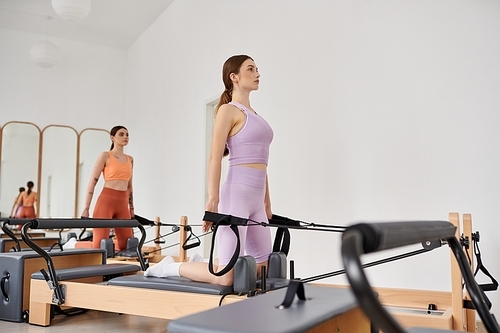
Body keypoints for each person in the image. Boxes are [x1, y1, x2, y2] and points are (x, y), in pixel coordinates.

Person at [145, 55, 274, 286]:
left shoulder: (257, 116)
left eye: (257, 69)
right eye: (251, 69)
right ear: (234, 77)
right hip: (236, 196)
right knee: (227, 277)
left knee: (266, 268)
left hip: (256, 198)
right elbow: (215, 157)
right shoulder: (228, 110)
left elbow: (263, 164)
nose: (257, 73)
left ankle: (203, 262)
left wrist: (267, 202)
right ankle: (171, 267)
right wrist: (212, 200)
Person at [80, 125, 135, 251]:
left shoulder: (130, 160)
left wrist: (131, 208)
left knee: (127, 245)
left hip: (123, 204)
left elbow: (130, 186)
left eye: (127, 134)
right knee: (99, 245)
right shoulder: (105, 156)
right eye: (121, 134)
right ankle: (74, 244)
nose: (125, 137)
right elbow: (92, 183)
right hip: (106, 202)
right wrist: (86, 208)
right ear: (112, 138)